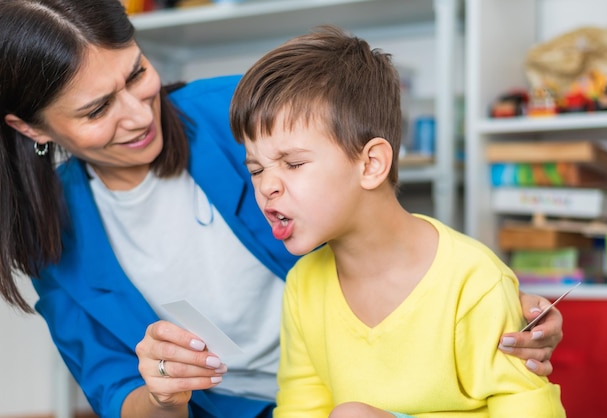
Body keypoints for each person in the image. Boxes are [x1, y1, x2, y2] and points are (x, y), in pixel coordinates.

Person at [0, 1, 562, 417]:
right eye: (98, 108)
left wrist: (490, 308)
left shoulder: (245, 114)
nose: (139, 115)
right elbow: (118, 390)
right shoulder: (50, 235)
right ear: (31, 128)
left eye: (137, 74)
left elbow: (388, 227)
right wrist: (164, 392)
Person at [229, 25, 566, 417]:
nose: (267, 186)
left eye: (294, 163)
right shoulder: (304, 287)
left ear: (371, 164)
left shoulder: (473, 281)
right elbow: (302, 407)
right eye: (256, 169)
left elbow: (525, 408)